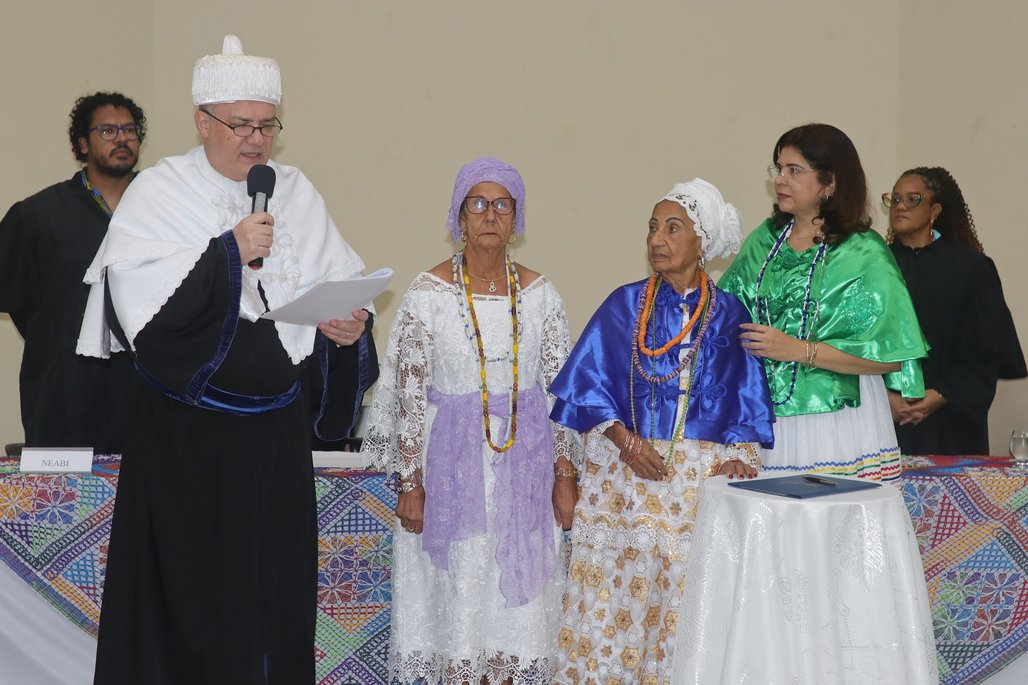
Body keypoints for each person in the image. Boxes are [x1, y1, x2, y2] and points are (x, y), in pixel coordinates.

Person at [76, 36, 378, 684]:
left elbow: (337, 284)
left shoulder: (295, 191)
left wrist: (347, 329)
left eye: (268, 125)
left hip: (276, 443)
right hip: (189, 447)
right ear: (202, 122)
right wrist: (226, 253)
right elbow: (147, 325)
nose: (257, 140)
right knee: (193, 613)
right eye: (242, 125)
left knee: (275, 606)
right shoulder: (161, 192)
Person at [363, 157, 582, 685]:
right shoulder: (427, 294)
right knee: (461, 605)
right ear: (459, 217)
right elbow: (409, 394)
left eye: (502, 205)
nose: (490, 215)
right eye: (478, 203)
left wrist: (565, 473)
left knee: (518, 618)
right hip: (452, 476)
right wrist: (410, 483)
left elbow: (563, 394)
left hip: (526, 477)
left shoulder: (541, 295)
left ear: (516, 219)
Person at [547, 179, 774, 684]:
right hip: (623, 481)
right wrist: (625, 442)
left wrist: (740, 456)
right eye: (653, 227)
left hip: (694, 490)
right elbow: (581, 393)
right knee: (611, 612)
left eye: (673, 228)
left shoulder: (730, 313)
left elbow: (746, 401)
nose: (657, 239)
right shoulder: (624, 305)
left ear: (703, 240)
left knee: (682, 609)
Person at [719, 123, 928, 481]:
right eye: (778, 169)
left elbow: (889, 358)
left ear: (829, 183)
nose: (780, 180)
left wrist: (798, 350)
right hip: (767, 418)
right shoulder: (763, 242)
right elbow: (723, 319)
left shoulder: (863, 252)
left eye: (794, 170)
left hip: (838, 421)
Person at [0, 92, 145, 452]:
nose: (122, 139)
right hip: (64, 392)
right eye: (107, 131)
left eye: (129, 130)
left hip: (147, 391)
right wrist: (58, 332)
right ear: (82, 143)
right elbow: (19, 299)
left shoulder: (164, 209)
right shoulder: (39, 215)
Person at [885, 166, 1026, 454]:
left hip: (951, 420)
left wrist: (941, 394)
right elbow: (852, 343)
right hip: (884, 419)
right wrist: (885, 398)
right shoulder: (874, 267)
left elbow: (987, 349)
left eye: (912, 199)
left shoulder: (971, 268)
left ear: (935, 210)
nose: (900, 206)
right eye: (895, 199)